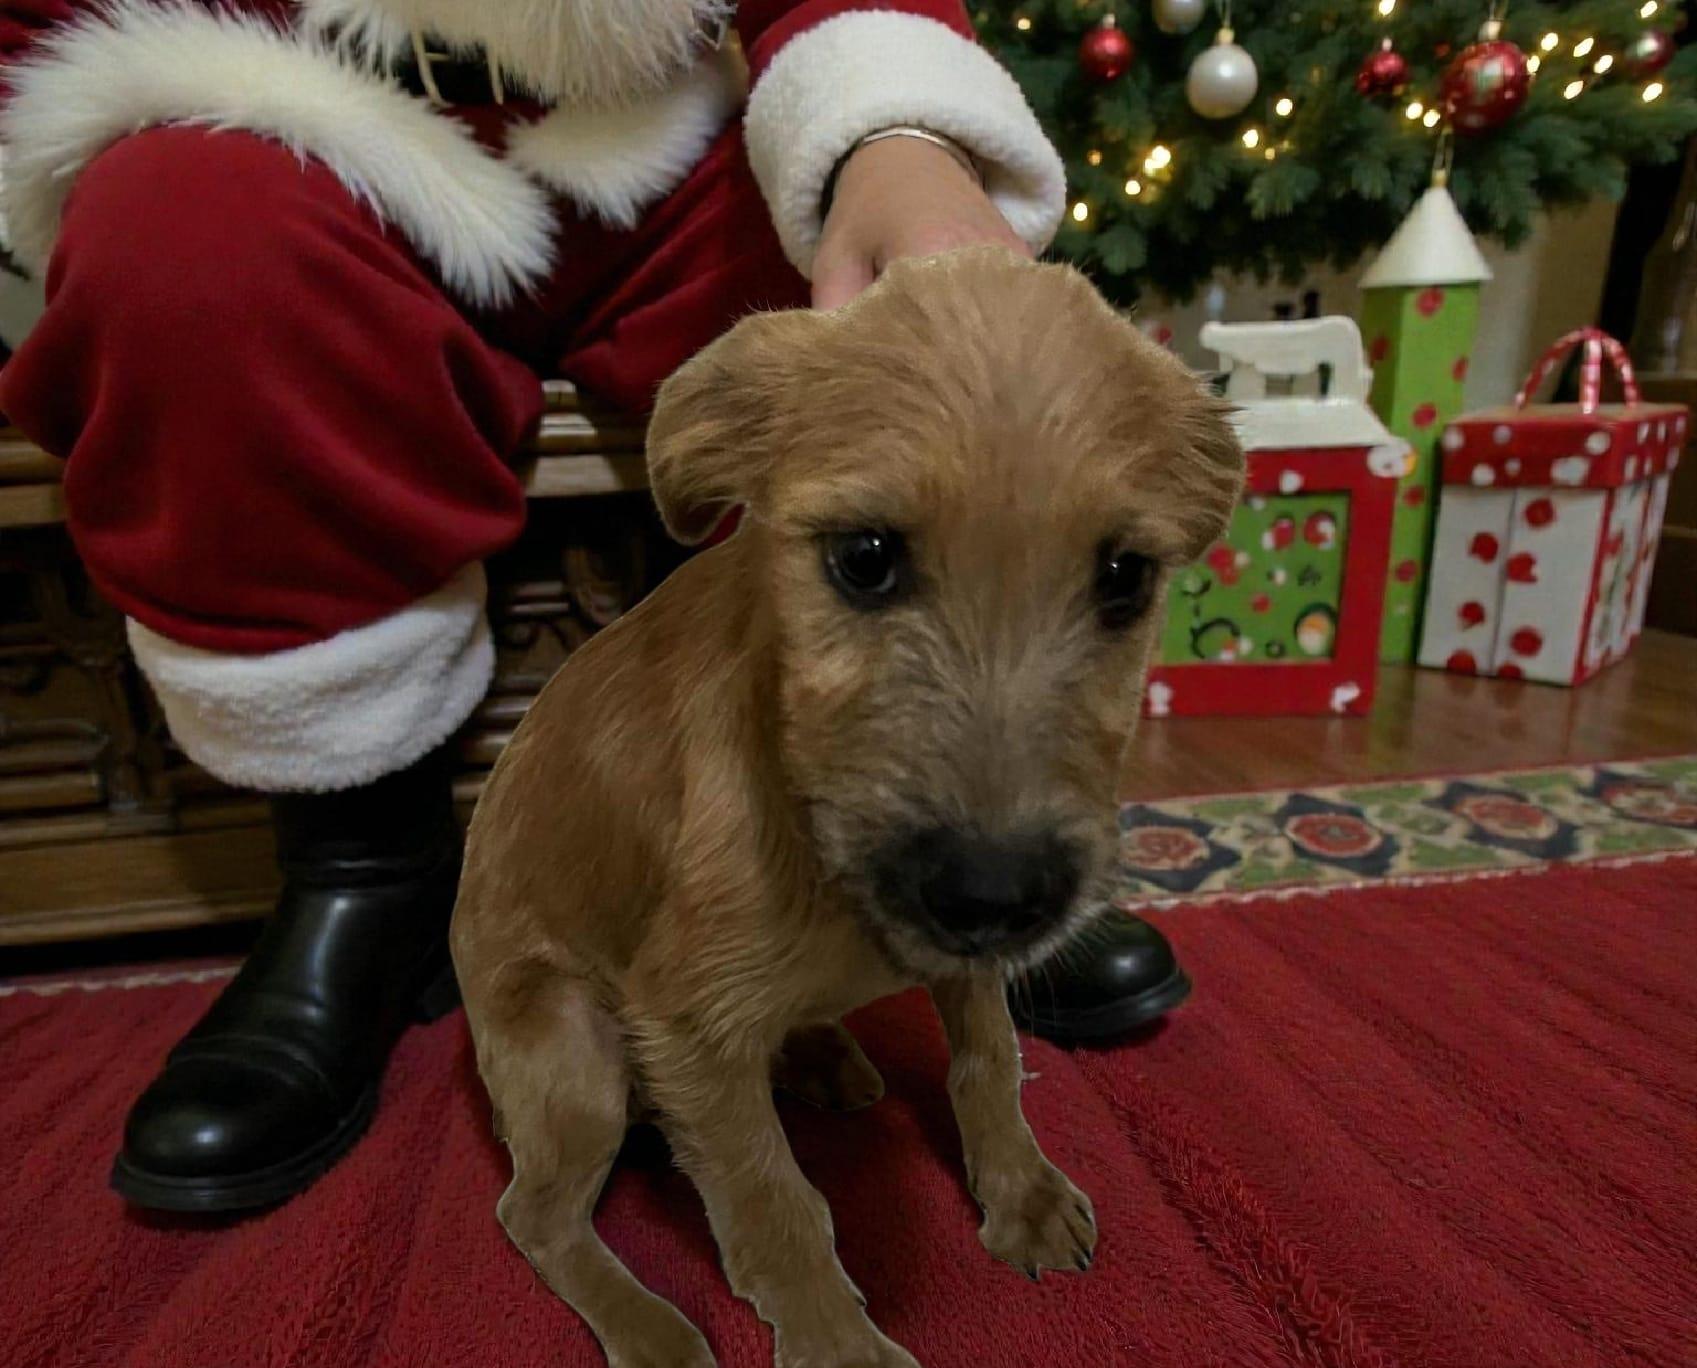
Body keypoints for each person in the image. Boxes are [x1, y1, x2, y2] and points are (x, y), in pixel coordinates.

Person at [0, 0, 1193, 1214]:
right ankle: (363, 859)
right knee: (181, 254)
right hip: (283, 116)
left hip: (668, 122)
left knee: (890, 324)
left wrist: (891, 130)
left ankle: (830, 827)